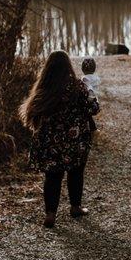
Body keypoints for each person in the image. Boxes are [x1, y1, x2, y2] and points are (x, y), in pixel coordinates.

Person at [20, 51, 100, 228]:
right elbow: (93, 109)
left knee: (52, 176)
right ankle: (75, 207)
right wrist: (93, 95)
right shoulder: (77, 87)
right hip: (75, 141)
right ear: (68, 66)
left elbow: (32, 112)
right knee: (75, 172)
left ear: (48, 68)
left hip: (50, 142)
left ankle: (50, 214)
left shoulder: (44, 87)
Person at [81, 58, 100, 131]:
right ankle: (92, 128)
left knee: (86, 114)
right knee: (88, 116)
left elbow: (88, 89)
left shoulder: (84, 78)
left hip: (89, 101)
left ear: (82, 69)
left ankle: (92, 128)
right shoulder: (96, 78)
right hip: (96, 102)